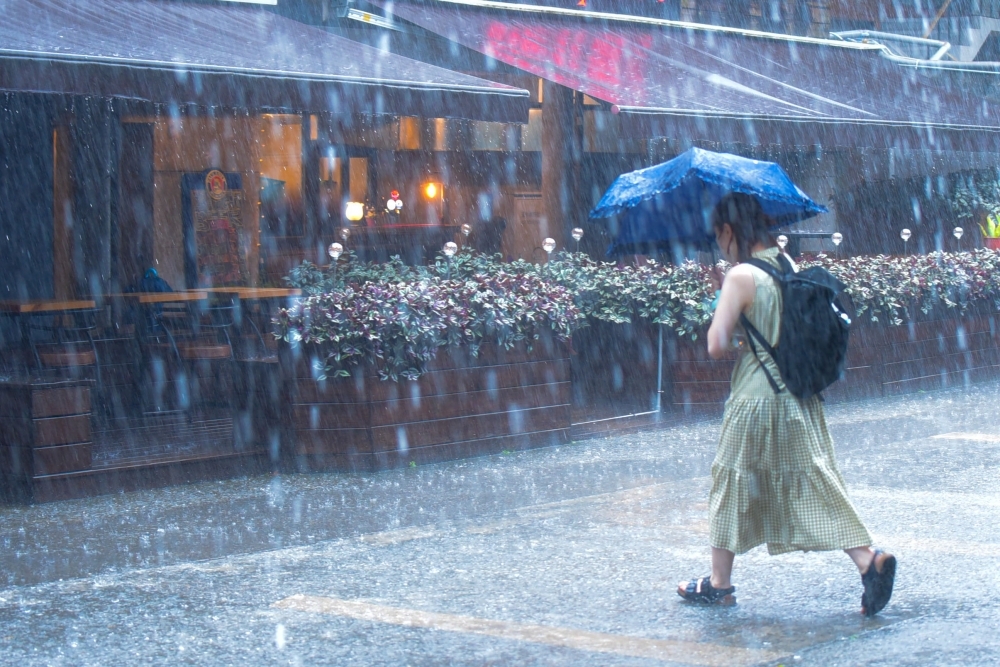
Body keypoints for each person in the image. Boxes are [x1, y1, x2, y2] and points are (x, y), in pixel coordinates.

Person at [677, 193, 896, 617]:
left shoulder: (740, 276)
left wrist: (725, 310)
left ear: (728, 231)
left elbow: (715, 345)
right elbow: (778, 328)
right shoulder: (786, 263)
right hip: (796, 394)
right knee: (814, 479)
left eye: (718, 234)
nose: (718, 243)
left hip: (757, 400)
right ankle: (867, 561)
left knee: (732, 484)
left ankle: (719, 584)